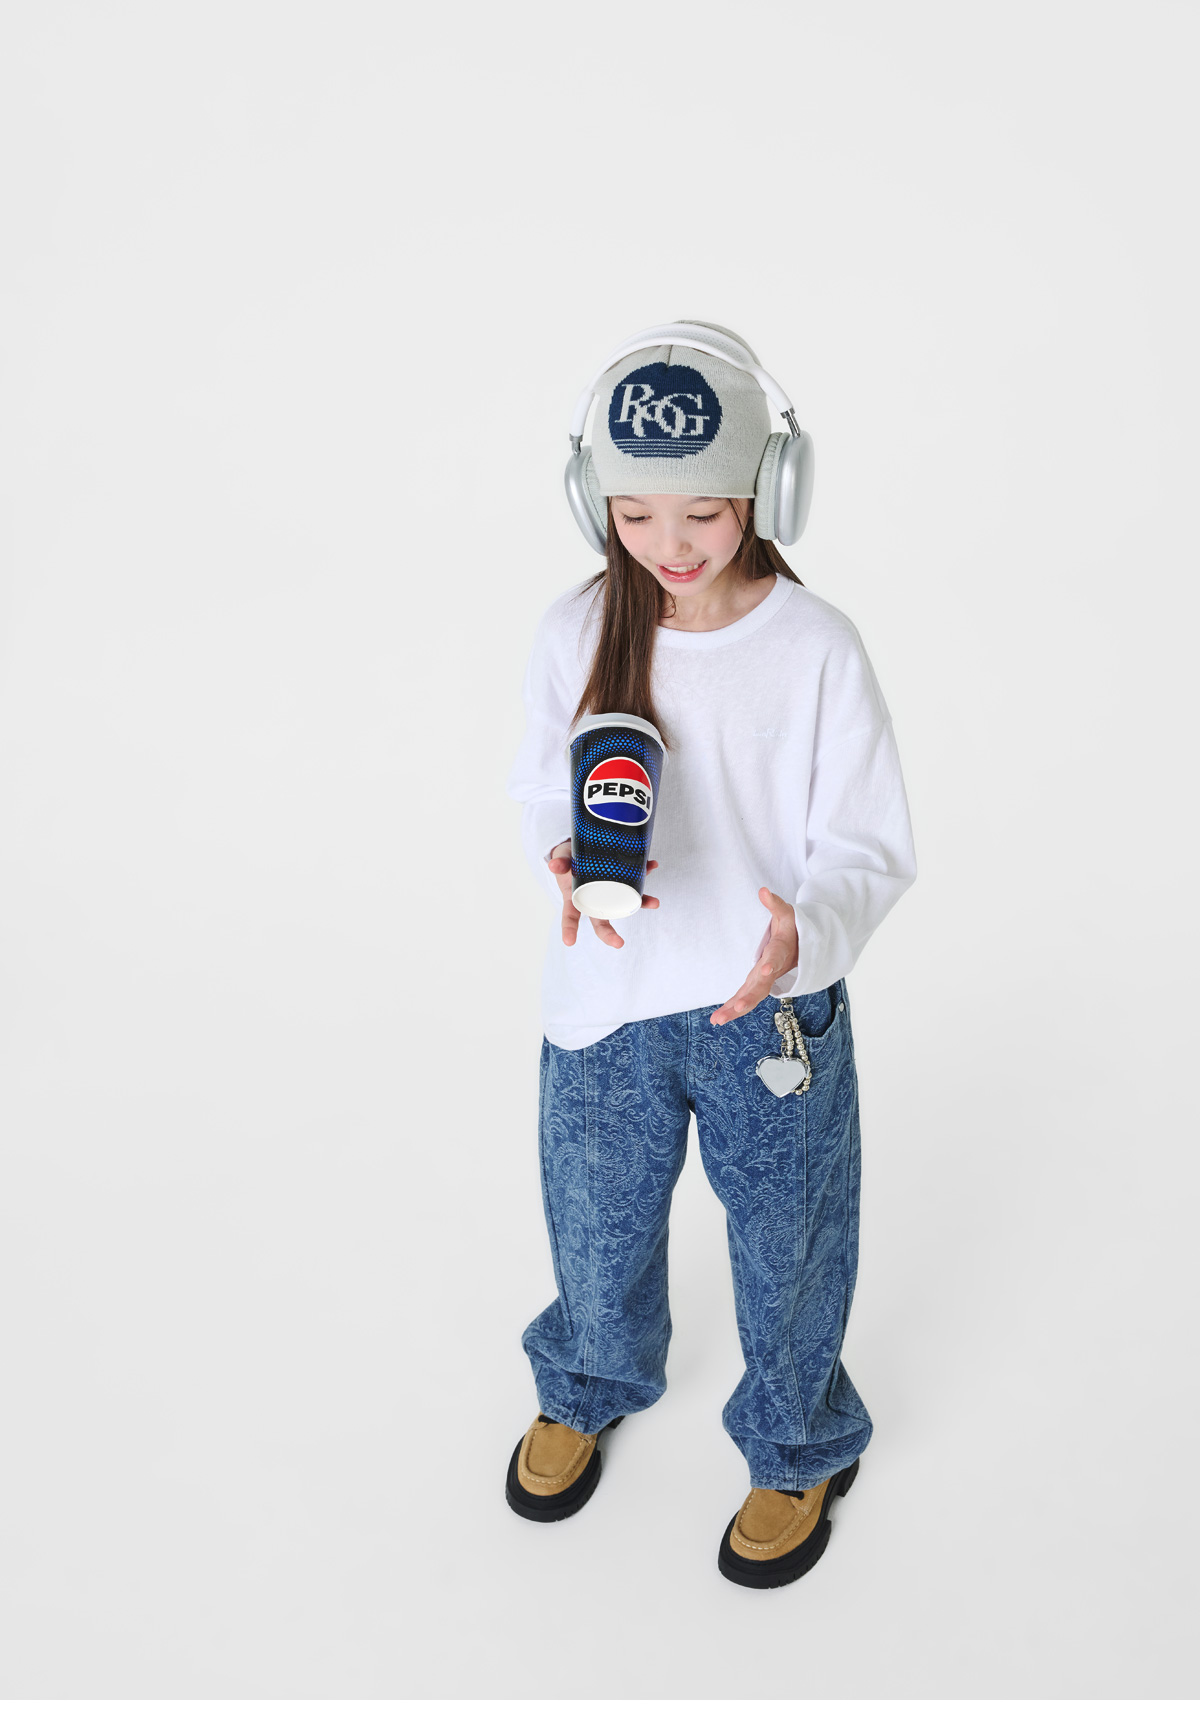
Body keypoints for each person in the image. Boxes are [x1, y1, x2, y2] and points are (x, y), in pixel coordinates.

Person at [504, 322, 917, 1589]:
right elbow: (544, 788)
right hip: (611, 999)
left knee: (790, 1241)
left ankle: (798, 1445)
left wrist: (808, 933)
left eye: (703, 511)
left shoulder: (816, 647)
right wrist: (562, 852)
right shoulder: (576, 631)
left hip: (767, 1008)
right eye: (635, 514)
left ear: (768, 492)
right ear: (594, 499)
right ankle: (589, 1378)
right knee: (596, 1223)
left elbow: (870, 843)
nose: (669, 544)